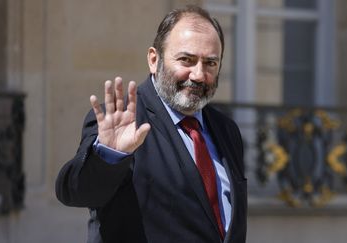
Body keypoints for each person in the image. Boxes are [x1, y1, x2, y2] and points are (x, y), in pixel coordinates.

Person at [55, 5, 247, 243]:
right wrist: (109, 156)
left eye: (210, 63)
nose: (198, 74)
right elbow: (77, 192)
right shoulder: (123, 122)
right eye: (186, 60)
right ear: (154, 60)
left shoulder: (226, 130)